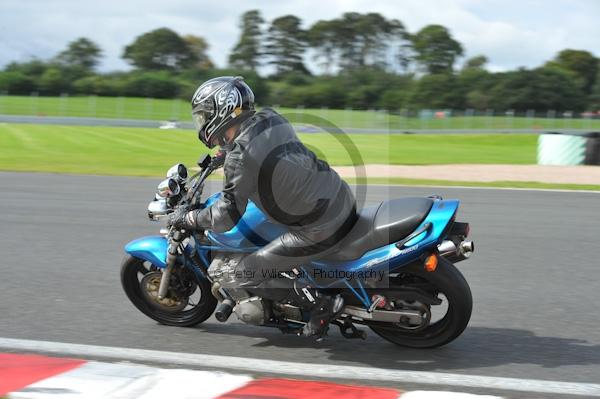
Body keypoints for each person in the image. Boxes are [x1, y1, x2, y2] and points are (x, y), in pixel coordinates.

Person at [169, 76, 357, 338]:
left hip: (318, 226)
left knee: (245, 271)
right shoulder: (271, 118)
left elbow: (225, 217)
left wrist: (188, 218)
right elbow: (264, 149)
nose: (201, 122)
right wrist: (225, 153)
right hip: (338, 196)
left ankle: (322, 306)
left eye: (204, 115)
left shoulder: (241, 157)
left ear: (222, 111)